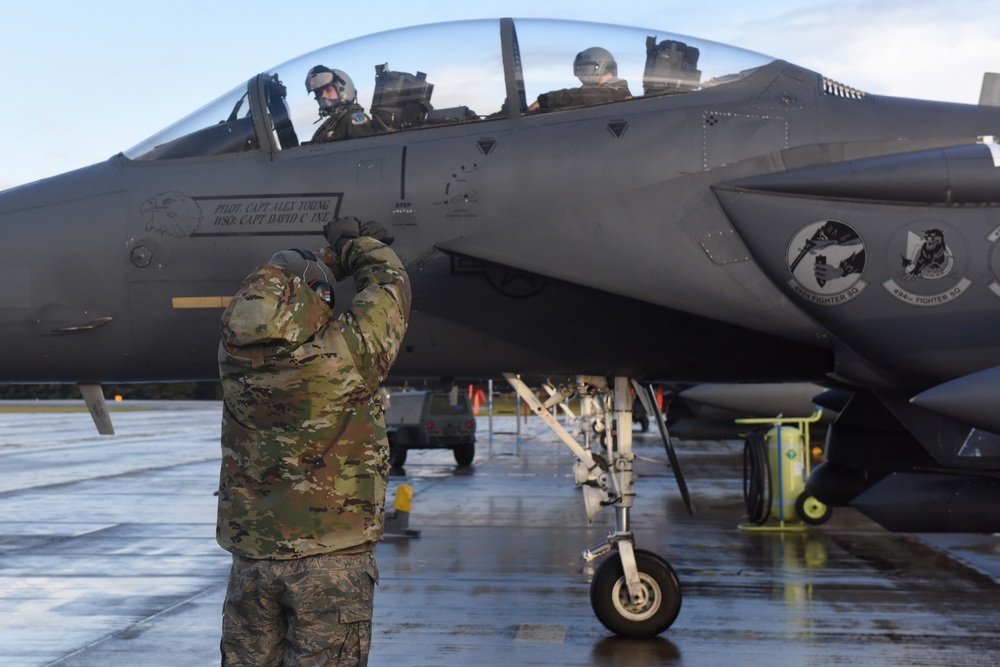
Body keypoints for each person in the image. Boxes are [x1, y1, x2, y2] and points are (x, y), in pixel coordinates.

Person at [216, 216, 411, 666]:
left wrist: (311, 266)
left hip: (252, 562)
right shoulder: (347, 352)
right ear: (316, 300)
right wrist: (354, 248)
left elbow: (282, 290)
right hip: (331, 559)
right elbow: (390, 283)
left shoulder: (233, 356)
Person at [529, 46, 632, 111]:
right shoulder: (614, 93)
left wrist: (544, 101)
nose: (581, 76)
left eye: (583, 69)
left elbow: (583, 96)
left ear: (596, 67)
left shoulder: (613, 93)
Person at [306, 65, 379, 143]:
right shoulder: (333, 122)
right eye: (319, 93)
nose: (323, 96)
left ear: (343, 90)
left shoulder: (354, 119)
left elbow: (365, 150)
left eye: (328, 90)